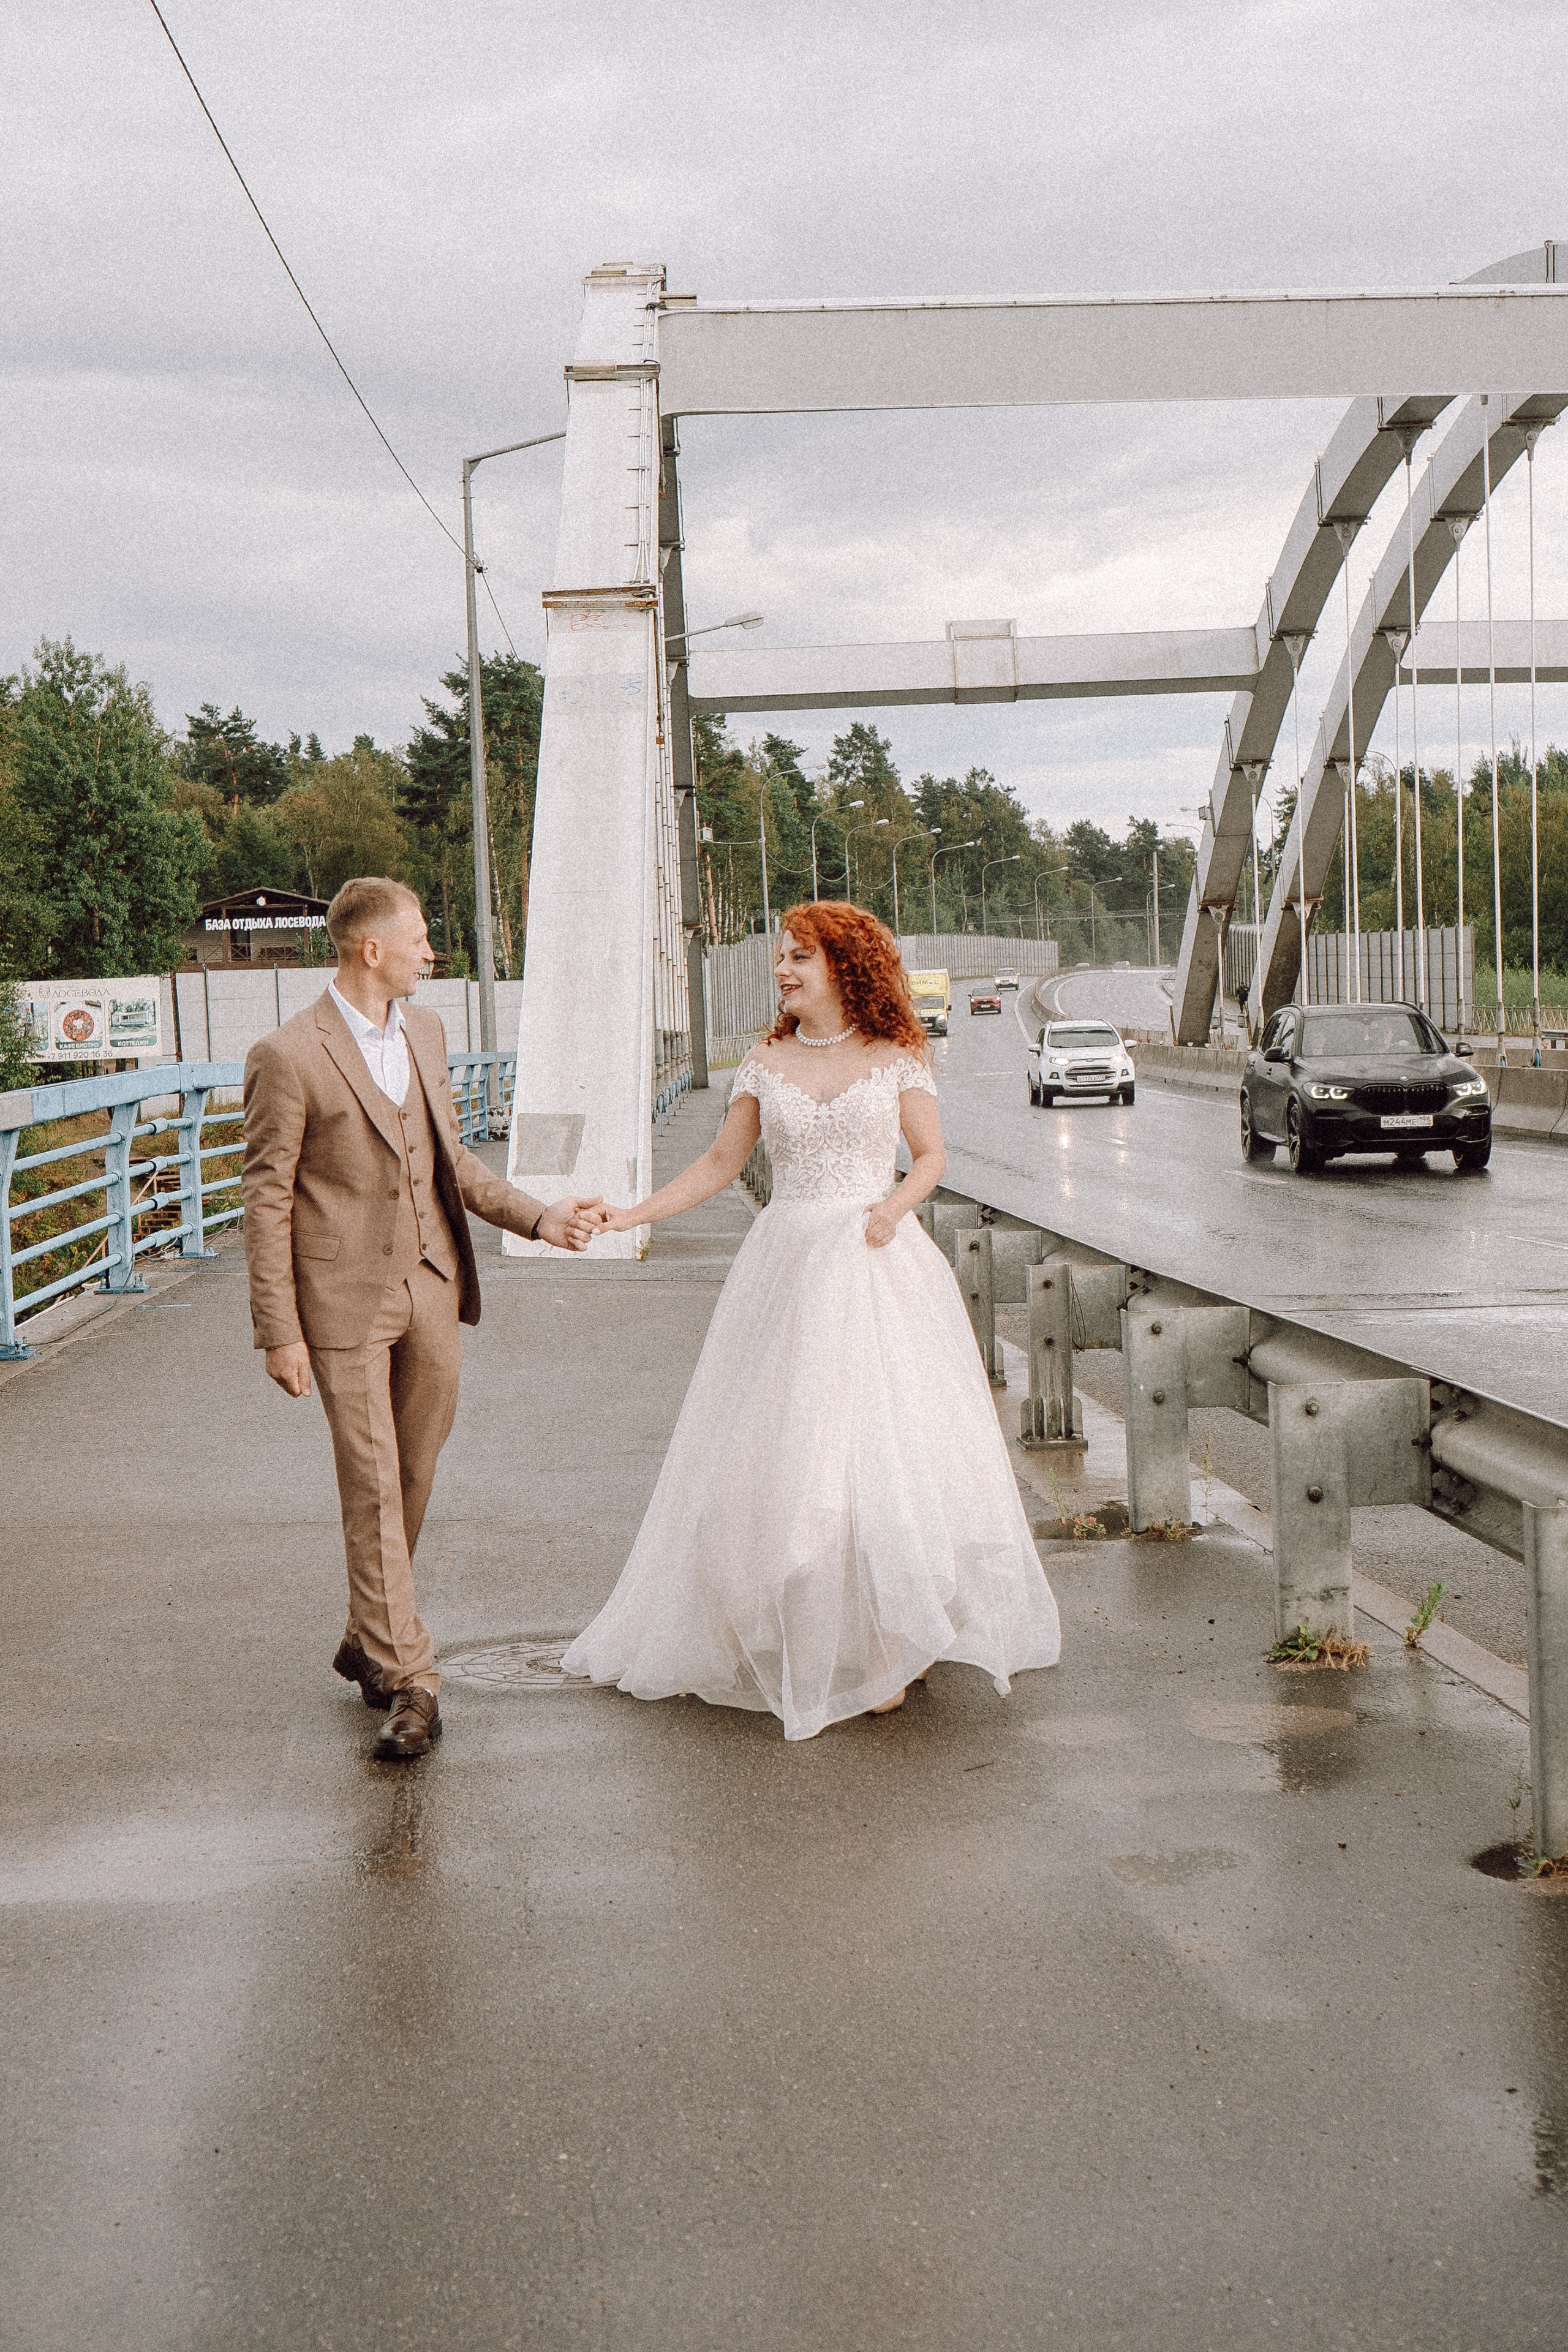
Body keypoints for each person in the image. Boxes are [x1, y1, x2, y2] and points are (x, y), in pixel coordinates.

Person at [563, 902, 1061, 1741]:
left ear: (843, 966)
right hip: (787, 1269)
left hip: (875, 1265)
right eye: (781, 959)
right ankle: (810, 1631)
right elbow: (720, 1164)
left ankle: (892, 1639)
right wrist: (631, 1214)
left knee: (885, 1454)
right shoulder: (764, 1061)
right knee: (791, 1454)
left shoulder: (897, 1054)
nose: (783, 971)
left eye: (799, 958)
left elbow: (931, 1156)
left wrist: (892, 1208)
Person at [242, 877, 603, 1761]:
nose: (431, 953)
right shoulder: (287, 1055)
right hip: (342, 1303)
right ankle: (414, 1677)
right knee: (371, 1480)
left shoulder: (428, 1033)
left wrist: (540, 1218)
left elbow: (454, 1160)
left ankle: (366, 1635)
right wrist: (279, 1329)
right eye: (420, 940)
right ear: (373, 951)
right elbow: (266, 1199)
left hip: (433, 1286)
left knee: (411, 1473)